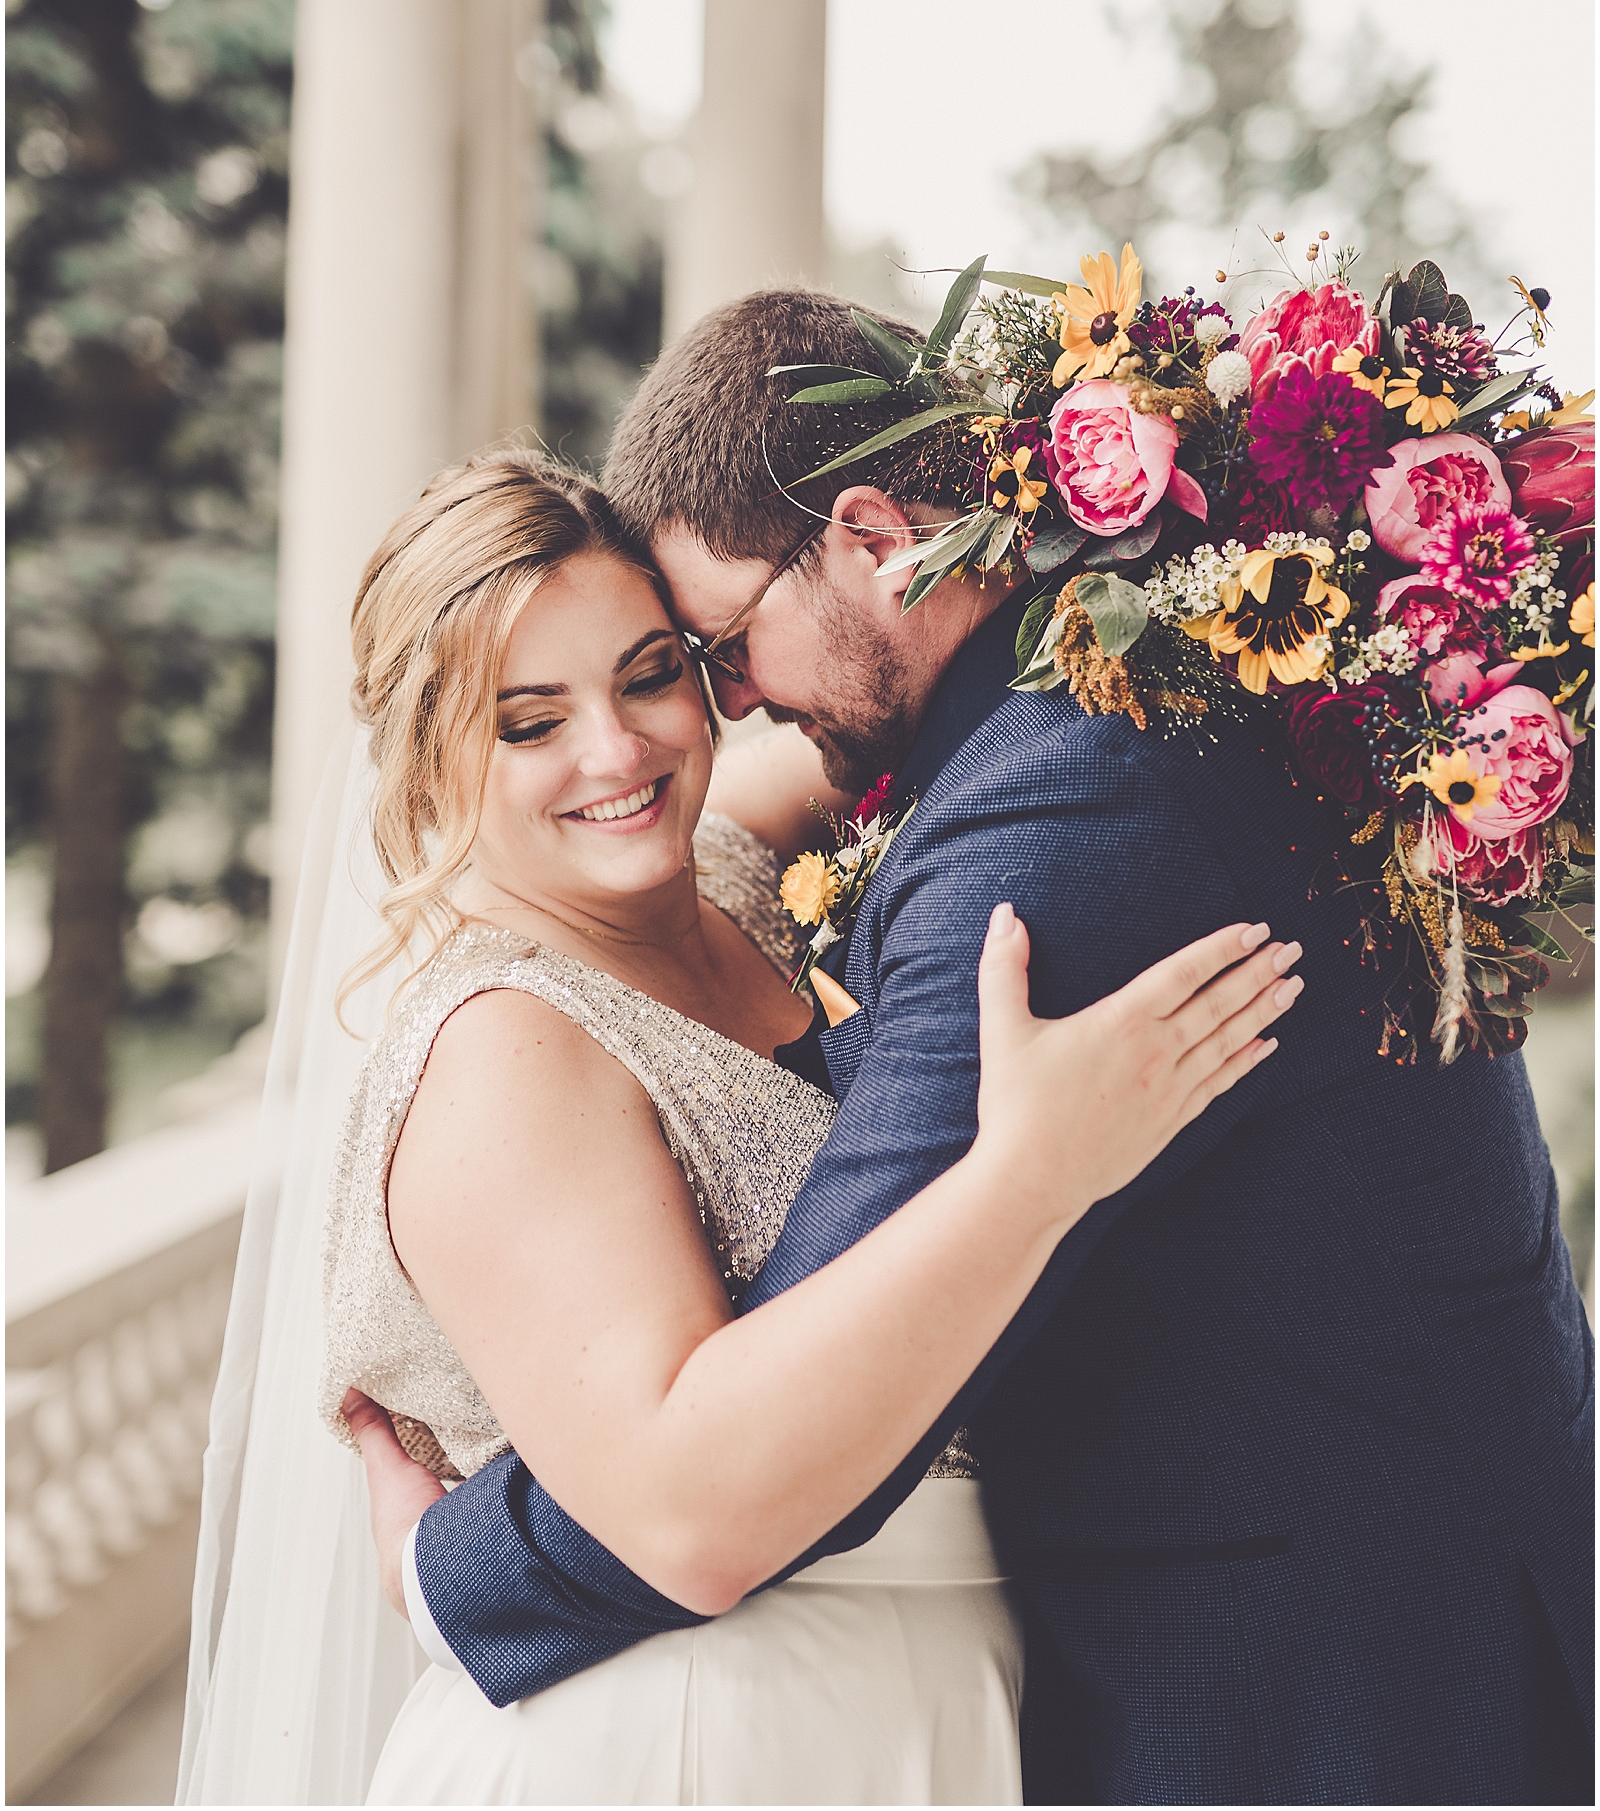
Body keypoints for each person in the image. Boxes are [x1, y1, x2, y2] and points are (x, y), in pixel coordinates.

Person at [365, 289, 1593, 1808]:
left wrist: (453, 1565)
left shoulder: (1053, 815)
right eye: (529, 717)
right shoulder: (1099, 690)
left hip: (1320, 1682)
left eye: (696, 657)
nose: (720, 709)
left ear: (878, 536)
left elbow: (751, 1471)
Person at [179, 451, 1293, 1807]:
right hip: (690, 1734)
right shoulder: (502, 1047)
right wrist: (1035, 1175)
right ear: (431, 759)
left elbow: (907, 703)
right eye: (528, 723)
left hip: (933, 1687)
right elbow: (686, 1520)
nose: (618, 751)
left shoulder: (719, 868)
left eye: (649, 674)